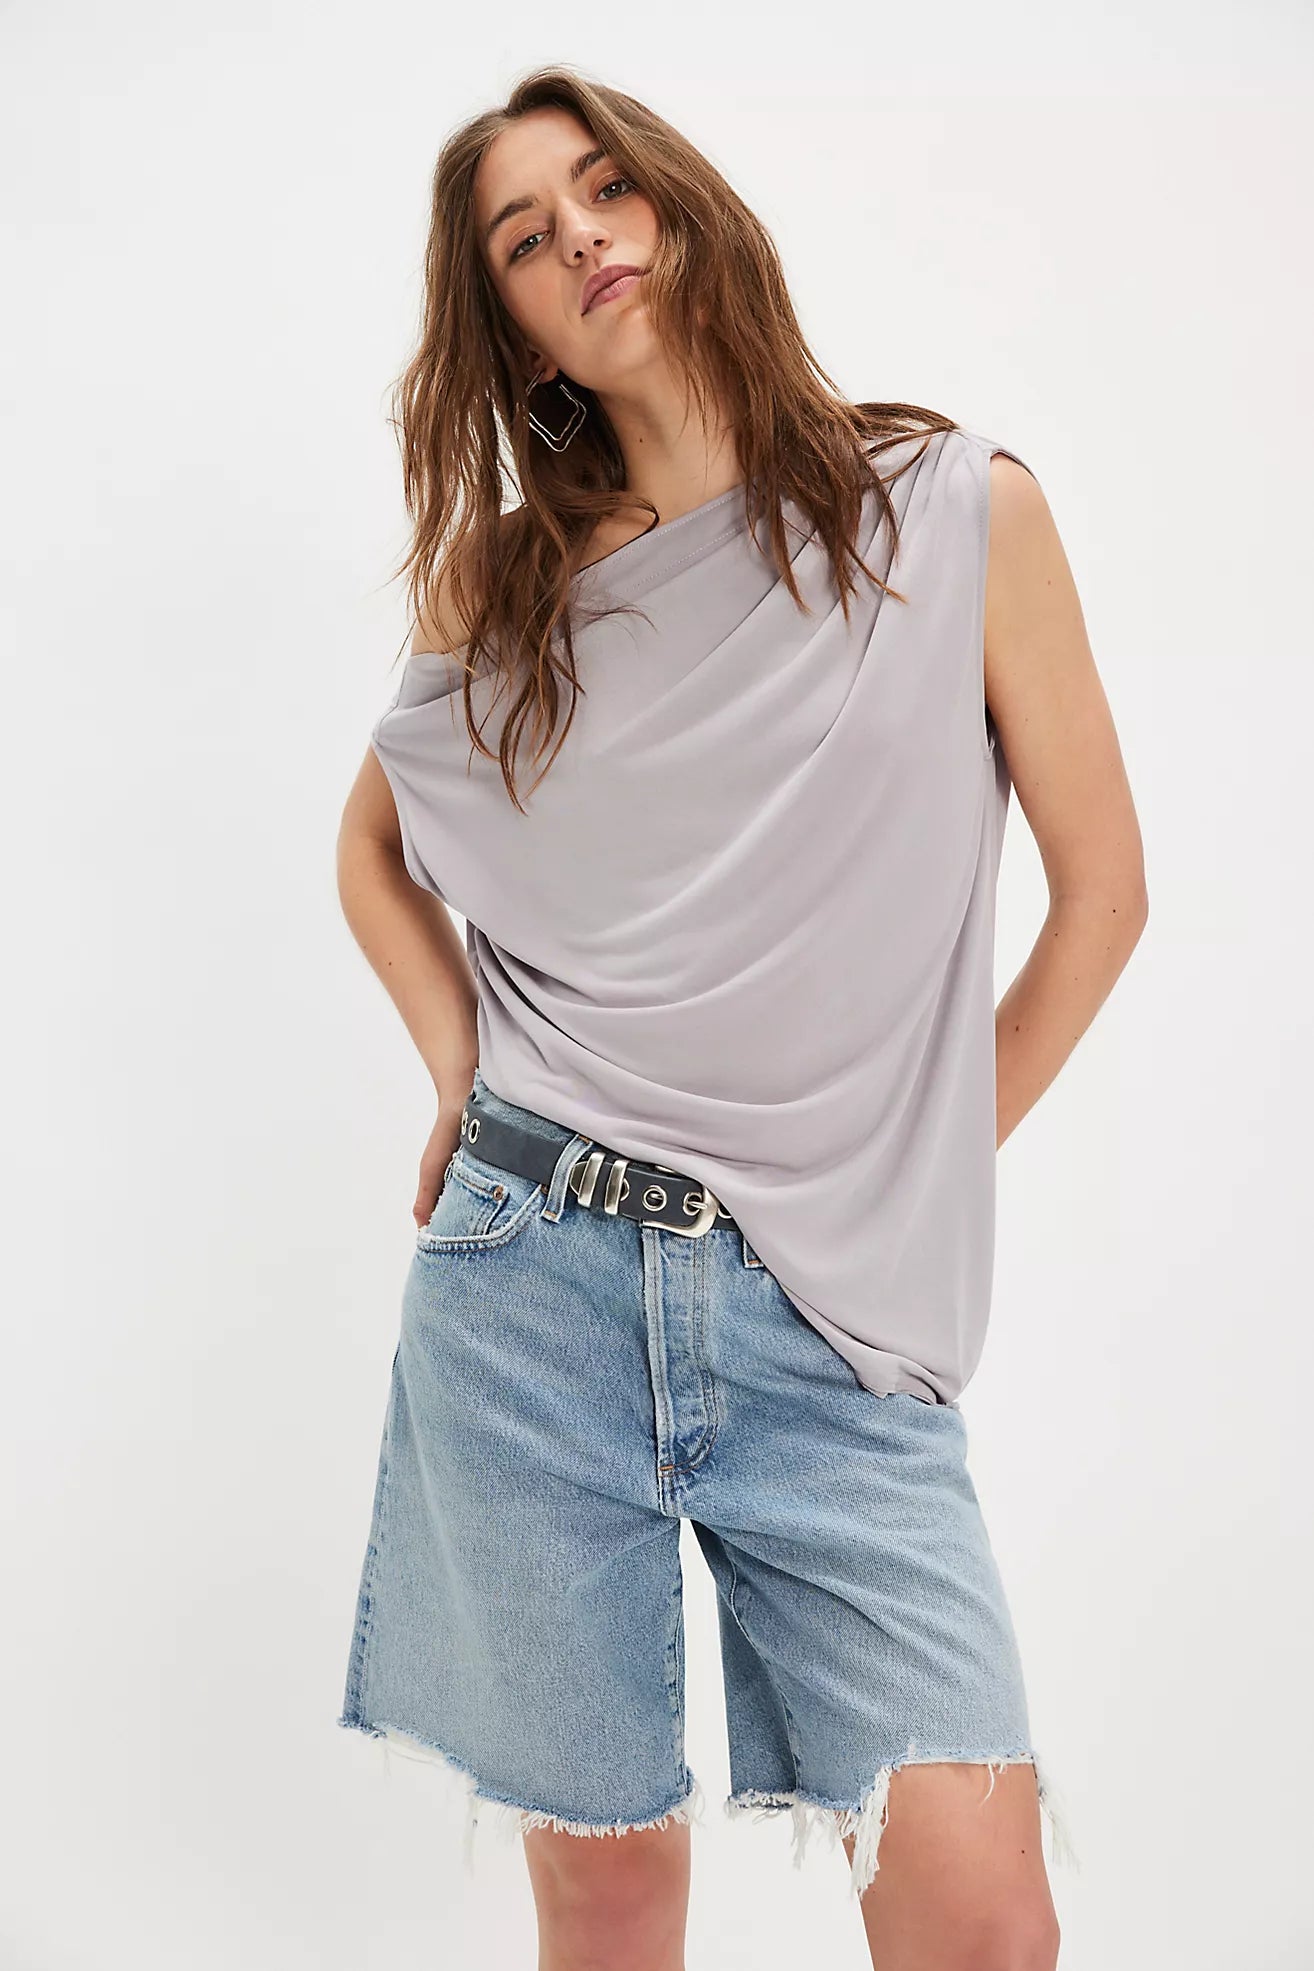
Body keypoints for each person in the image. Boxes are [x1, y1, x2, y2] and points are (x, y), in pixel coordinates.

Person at [334, 64, 1147, 1971]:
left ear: (680, 206)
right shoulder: (511, 584)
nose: (580, 236)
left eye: (603, 188)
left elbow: (1103, 897)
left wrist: (910, 1156)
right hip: (527, 1290)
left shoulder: (950, 510)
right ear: (515, 329)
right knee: (610, 1899)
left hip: (831, 1323)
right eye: (523, 239)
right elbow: (371, 849)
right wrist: (456, 1065)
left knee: (984, 1920)